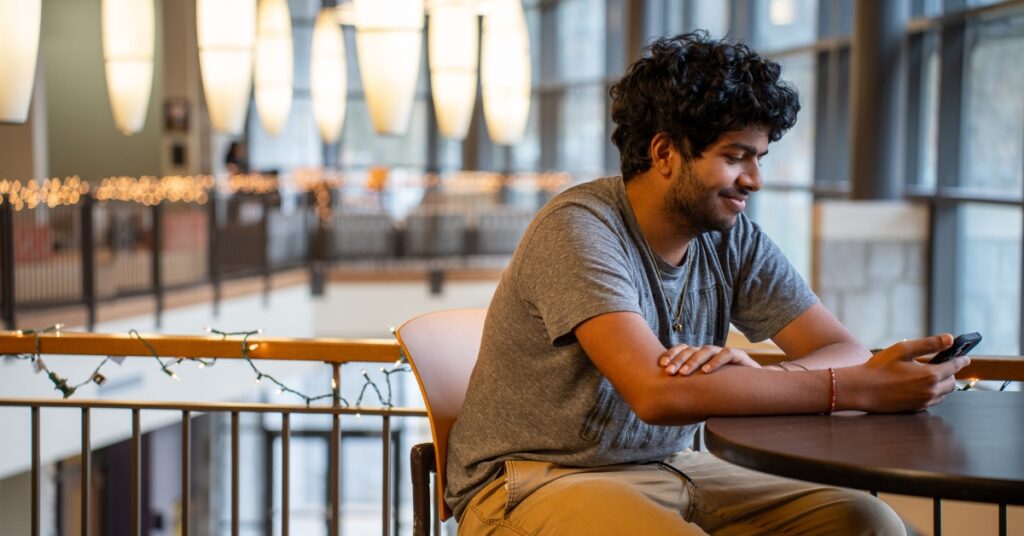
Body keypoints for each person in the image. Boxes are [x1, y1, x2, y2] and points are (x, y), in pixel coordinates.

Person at [445, 32, 970, 535]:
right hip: (535, 480)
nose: (755, 180)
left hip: (671, 465)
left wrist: (766, 375)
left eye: (758, 158)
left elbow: (844, 350)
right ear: (664, 153)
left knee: (866, 521)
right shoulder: (579, 227)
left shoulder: (731, 237)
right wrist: (851, 389)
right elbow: (655, 394)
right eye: (735, 157)